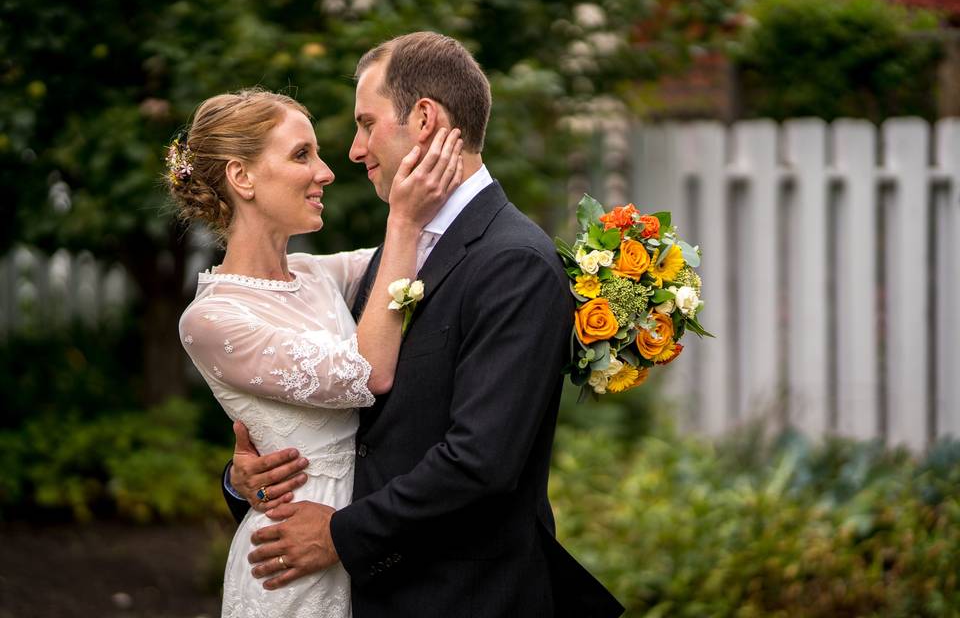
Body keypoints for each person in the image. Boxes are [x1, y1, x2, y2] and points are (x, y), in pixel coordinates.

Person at [224, 33, 624, 617]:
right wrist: (250, 478)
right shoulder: (396, 251)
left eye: (367, 124)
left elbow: (480, 462)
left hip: (462, 599)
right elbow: (357, 425)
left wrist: (339, 535)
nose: (355, 151)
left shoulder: (514, 262)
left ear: (426, 119)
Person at [170, 88, 463, 618]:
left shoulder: (316, 274)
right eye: (301, 155)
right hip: (289, 566)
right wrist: (401, 219)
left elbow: (438, 254)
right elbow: (366, 374)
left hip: (362, 546)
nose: (326, 172)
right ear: (242, 177)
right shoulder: (212, 319)